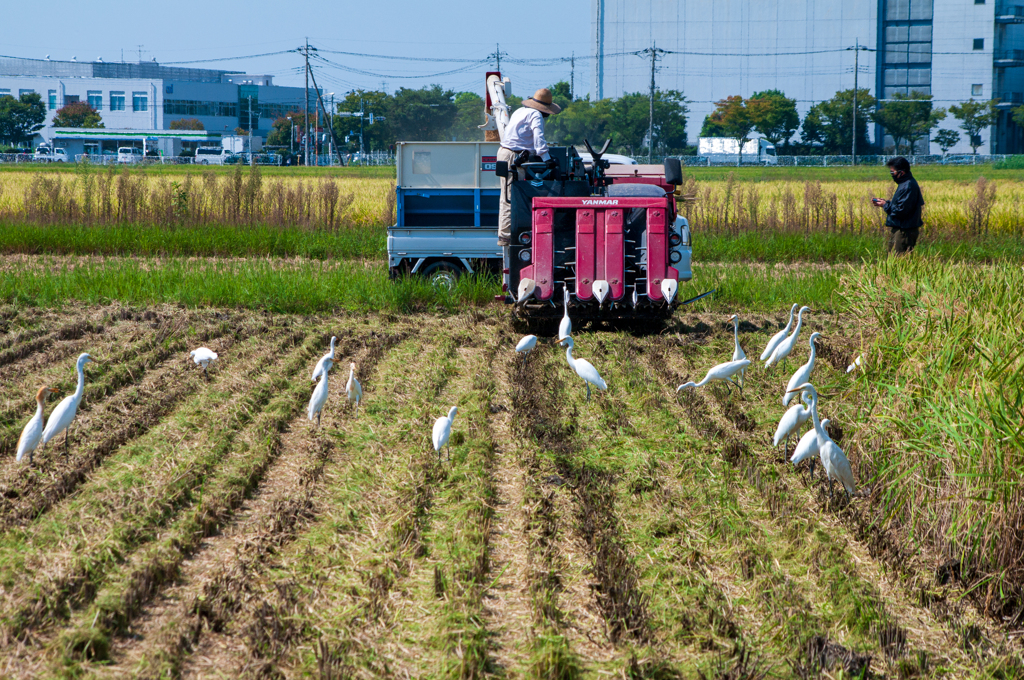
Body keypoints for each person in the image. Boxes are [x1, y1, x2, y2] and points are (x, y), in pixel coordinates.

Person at [497, 88, 562, 247]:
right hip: (513, 156)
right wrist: (547, 159)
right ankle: (506, 236)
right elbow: (538, 138)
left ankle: (510, 231)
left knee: (508, 194)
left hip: (508, 153)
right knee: (511, 197)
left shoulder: (521, 111)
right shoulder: (536, 115)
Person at [871, 156, 924, 255]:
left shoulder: (908, 186)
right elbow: (901, 205)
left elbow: (900, 211)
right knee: (892, 259)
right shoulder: (904, 184)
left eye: (893, 172)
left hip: (904, 231)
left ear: (901, 172)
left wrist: (885, 205)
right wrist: (886, 203)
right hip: (900, 228)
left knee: (899, 260)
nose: (892, 175)